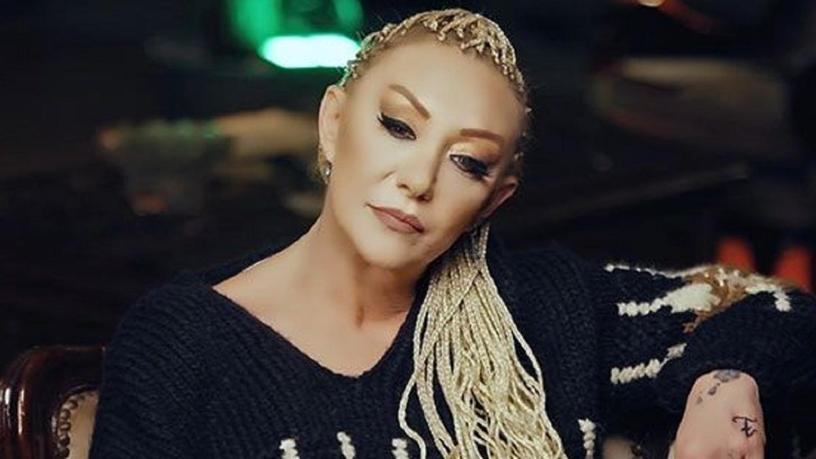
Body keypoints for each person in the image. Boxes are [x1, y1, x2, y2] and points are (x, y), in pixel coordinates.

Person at [88, 8, 816, 459]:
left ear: (494, 199)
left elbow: (779, 310)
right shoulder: (182, 341)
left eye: (466, 161)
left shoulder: (543, 310)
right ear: (333, 122)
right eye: (398, 126)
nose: (419, 178)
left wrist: (726, 386)